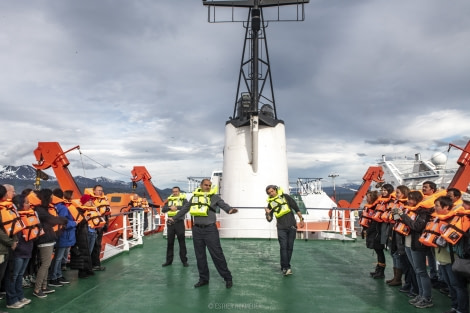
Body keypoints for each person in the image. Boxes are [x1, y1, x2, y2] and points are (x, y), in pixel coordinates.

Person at [168, 179, 238, 288]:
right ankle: (204, 279)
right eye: (205, 185)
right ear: (201, 185)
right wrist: (174, 218)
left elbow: (223, 205)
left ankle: (227, 278)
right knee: (200, 256)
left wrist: (229, 210)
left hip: (210, 230)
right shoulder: (194, 197)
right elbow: (184, 209)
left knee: (217, 255)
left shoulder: (214, 197)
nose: (208, 187)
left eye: (209, 185)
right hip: (197, 230)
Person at [397, 189, 434, 308]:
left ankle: (427, 298)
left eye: (411, 199)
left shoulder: (423, 212)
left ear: (418, 200)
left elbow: (416, 227)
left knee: (421, 271)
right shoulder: (409, 210)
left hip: (417, 245)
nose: (409, 201)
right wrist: (397, 213)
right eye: (408, 199)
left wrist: (403, 215)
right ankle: (420, 294)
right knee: (417, 271)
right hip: (408, 243)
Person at [31, 189, 68, 299]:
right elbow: (51, 219)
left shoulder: (43, 209)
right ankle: (37, 289)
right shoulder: (40, 210)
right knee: (45, 264)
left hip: (49, 238)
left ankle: (44, 286)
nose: (53, 198)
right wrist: (63, 220)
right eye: (51, 196)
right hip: (44, 240)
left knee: (47, 264)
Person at [264, 185, 305, 276]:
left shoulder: (285, 197)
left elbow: (296, 208)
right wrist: (267, 214)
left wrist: (301, 219)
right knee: (283, 247)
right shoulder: (270, 204)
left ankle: (285, 266)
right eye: (269, 193)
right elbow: (269, 219)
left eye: (272, 191)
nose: (271, 194)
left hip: (292, 227)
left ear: (275, 190)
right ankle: (286, 267)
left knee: (289, 247)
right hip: (281, 227)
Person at [5, 193, 33, 308]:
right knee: (14, 275)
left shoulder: (29, 216)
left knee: (20, 275)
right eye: (26, 202)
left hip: (27, 250)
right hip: (18, 251)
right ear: (19, 204)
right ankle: (12, 300)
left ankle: (20, 296)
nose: (29, 204)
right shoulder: (14, 217)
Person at [48, 188, 76, 287]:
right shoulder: (63, 208)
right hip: (64, 235)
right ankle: (54, 277)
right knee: (59, 257)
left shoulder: (55, 206)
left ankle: (58, 275)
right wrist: (74, 223)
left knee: (59, 257)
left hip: (60, 234)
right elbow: (63, 222)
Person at [367, 184, 394, 279]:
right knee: (378, 249)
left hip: (384, 228)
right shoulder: (380, 202)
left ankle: (381, 272)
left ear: (390, 191)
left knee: (380, 249)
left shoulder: (392, 202)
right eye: (382, 190)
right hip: (377, 227)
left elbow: (393, 216)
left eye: (385, 190)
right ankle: (378, 270)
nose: (383, 192)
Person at [0, 185, 19, 308]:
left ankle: (11, 300)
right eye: (12, 191)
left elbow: (13, 226)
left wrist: (14, 240)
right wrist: (11, 242)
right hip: (2, 249)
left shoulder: (7, 208)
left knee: (6, 274)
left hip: (6, 249)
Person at [161, 187, 188, 267]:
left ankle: (184, 261)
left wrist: (176, 207)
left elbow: (186, 207)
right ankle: (169, 261)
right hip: (170, 223)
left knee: (181, 242)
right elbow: (163, 209)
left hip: (179, 222)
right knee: (170, 243)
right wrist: (169, 208)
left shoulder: (183, 199)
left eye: (176, 191)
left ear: (179, 191)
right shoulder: (169, 200)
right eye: (173, 191)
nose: (175, 193)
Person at [91, 185, 109, 271]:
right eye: (98, 190)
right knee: (94, 245)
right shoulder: (91, 200)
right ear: (94, 191)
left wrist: (106, 225)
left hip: (101, 226)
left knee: (97, 245)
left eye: (101, 190)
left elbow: (106, 213)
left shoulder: (104, 200)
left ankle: (96, 264)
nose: (100, 192)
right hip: (94, 226)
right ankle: (94, 264)